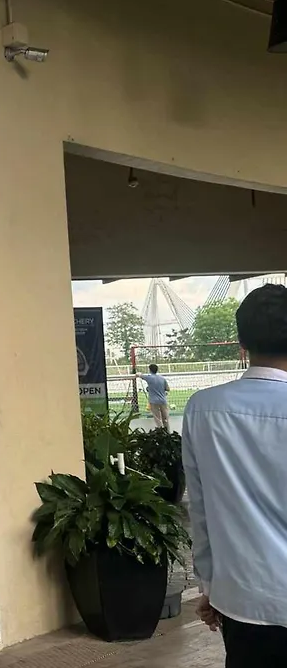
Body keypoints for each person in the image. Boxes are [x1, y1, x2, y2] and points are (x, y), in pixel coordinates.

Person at [183, 284, 287, 666]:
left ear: (242, 343)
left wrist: (211, 586)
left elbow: (200, 511)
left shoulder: (202, 409)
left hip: (243, 601)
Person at [135, 364, 171, 429]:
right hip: (163, 400)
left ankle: (160, 430)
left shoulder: (149, 378)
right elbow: (167, 389)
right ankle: (167, 430)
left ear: (150, 370)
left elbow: (139, 375)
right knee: (165, 418)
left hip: (153, 401)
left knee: (157, 418)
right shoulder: (162, 378)